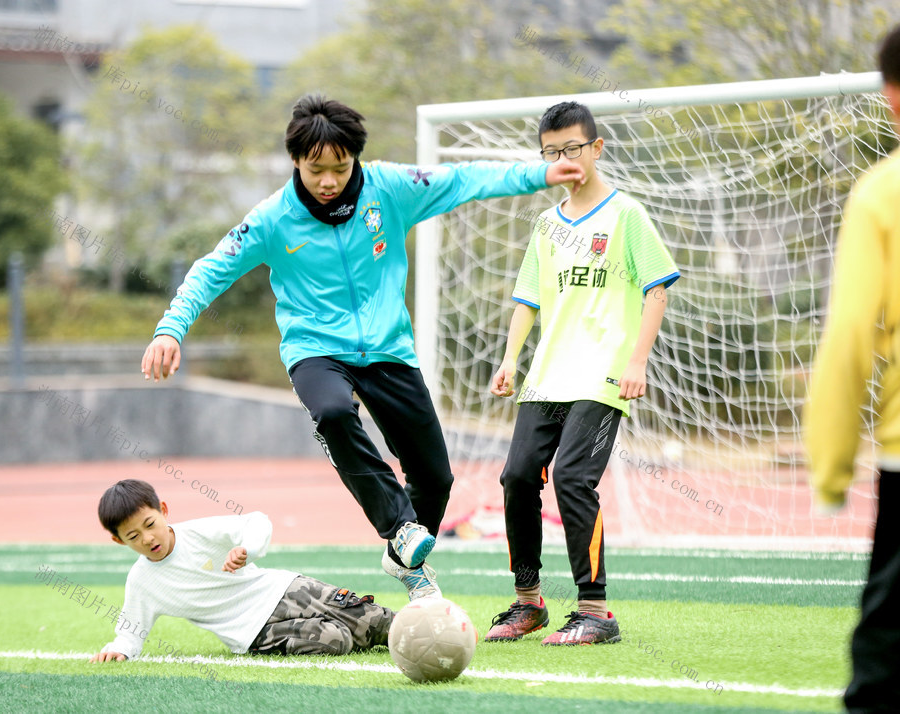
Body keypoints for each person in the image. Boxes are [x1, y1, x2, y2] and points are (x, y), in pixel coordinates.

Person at [139, 94, 587, 600]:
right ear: (295, 162)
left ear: (356, 158)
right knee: (332, 411)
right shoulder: (271, 219)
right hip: (316, 349)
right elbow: (210, 269)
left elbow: (461, 181)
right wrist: (170, 328)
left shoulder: (390, 189)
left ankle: (404, 559)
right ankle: (399, 529)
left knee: (436, 478)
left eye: (339, 167)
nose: (328, 181)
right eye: (315, 170)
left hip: (389, 349)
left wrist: (538, 175)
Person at [483, 101, 679, 645]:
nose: (564, 158)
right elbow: (527, 298)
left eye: (573, 148)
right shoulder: (546, 223)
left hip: (605, 376)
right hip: (547, 375)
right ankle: (528, 603)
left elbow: (656, 289)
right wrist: (508, 359)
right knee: (517, 476)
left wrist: (637, 361)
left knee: (572, 477)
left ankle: (595, 611)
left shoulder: (626, 215)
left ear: (595, 148)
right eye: (552, 152)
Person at [805, 24, 900, 713]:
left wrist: (831, 464)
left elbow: (848, 336)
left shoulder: (883, 192)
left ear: (892, 99)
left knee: (885, 669)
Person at [89, 479, 394, 662]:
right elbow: (130, 632)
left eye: (150, 524)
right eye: (133, 536)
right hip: (254, 632)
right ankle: (347, 630)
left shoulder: (200, 532)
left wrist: (247, 548)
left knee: (376, 620)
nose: (148, 538)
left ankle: (434, 630)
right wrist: (121, 650)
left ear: (163, 511)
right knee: (335, 640)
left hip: (284, 591)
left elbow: (257, 521)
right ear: (118, 540)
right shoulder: (142, 582)